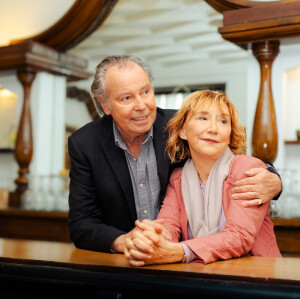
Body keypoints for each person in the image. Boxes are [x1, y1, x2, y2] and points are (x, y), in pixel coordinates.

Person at [68, 56, 282, 254]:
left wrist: (274, 178)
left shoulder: (178, 125)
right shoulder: (85, 144)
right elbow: (82, 224)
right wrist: (124, 241)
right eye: (126, 98)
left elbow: (234, 159)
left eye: (145, 92)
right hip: (134, 264)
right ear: (105, 104)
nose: (141, 106)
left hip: (201, 262)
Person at [124, 90, 282, 266]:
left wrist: (180, 251)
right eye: (203, 118)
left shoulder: (247, 169)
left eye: (223, 121)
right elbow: (168, 227)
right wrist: (151, 240)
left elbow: (239, 237)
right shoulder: (178, 178)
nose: (213, 129)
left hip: (257, 279)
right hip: (203, 279)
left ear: (229, 134)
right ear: (182, 131)